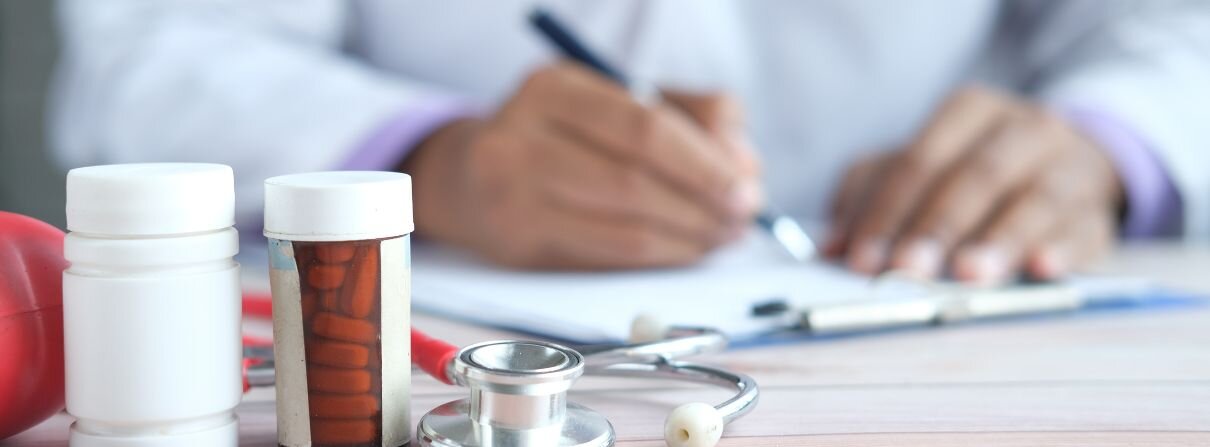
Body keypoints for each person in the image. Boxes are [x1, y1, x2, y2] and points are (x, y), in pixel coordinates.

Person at [51, 1, 1210, 282]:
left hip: (943, 288)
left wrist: (1111, 144)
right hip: (450, 294)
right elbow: (153, 50)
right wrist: (433, 163)